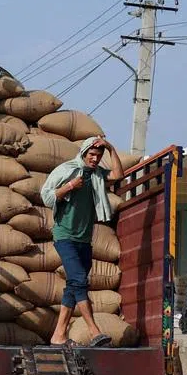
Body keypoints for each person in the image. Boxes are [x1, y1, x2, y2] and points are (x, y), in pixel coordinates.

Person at [41, 136, 126, 347]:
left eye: (98, 156)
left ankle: (58, 336)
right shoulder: (68, 170)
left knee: (73, 286)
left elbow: (118, 175)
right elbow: (47, 195)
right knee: (79, 279)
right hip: (65, 236)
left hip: (84, 239)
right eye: (92, 155)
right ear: (83, 154)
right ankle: (94, 330)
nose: (95, 159)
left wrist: (111, 147)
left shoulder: (97, 175)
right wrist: (70, 185)